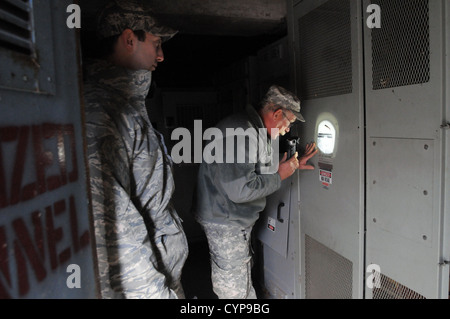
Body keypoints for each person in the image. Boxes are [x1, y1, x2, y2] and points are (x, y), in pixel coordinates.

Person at [83, 0, 188, 299]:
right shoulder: (101, 110)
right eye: (156, 43)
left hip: (163, 274)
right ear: (129, 39)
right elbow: (113, 230)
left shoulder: (127, 105)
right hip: (148, 287)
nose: (161, 55)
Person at [194, 85, 317, 299]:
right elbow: (241, 189)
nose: (287, 129)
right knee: (235, 290)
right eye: (288, 123)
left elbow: (253, 168)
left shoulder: (253, 130)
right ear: (277, 113)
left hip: (226, 216)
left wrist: (291, 165)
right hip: (225, 220)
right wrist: (280, 175)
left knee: (238, 278)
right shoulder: (243, 133)